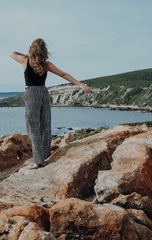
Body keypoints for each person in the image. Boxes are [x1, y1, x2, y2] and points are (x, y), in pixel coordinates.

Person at [10, 38, 91, 169]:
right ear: (44, 51)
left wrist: (28, 53)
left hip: (31, 94)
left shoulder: (26, 60)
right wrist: (80, 84)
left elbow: (11, 53)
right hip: (43, 92)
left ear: (32, 49)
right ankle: (45, 154)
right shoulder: (46, 64)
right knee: (45, 124)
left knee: (33, 127)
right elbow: (63, 74)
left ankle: (38, 161)